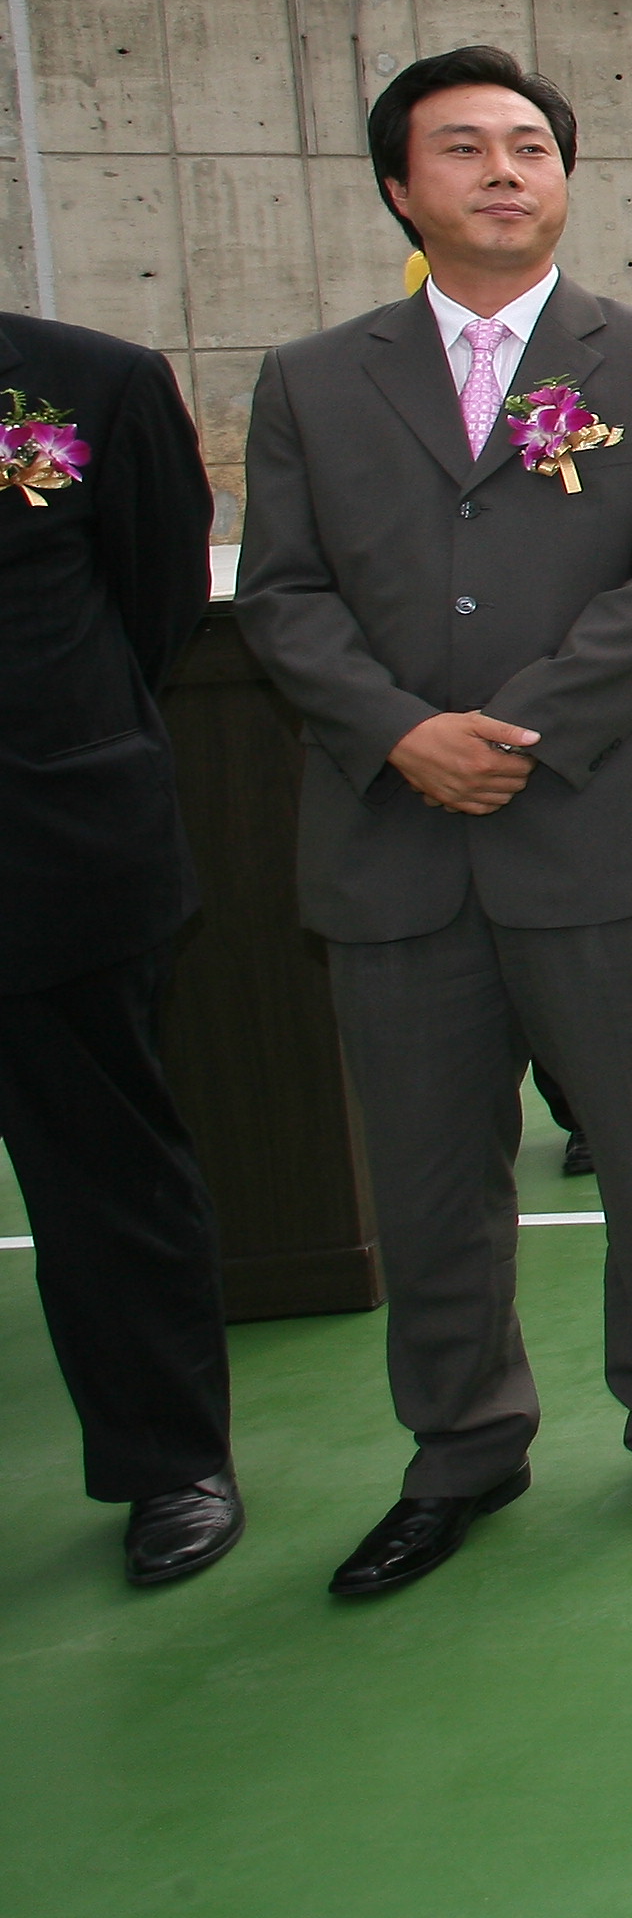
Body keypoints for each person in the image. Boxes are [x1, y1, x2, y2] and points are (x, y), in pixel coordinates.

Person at [234, 47, 632, 1597]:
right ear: (402, 188)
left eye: (529, 145)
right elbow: (283, 596)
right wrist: (402, 734)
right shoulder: (316, 381)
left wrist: (519, 731)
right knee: (426, 1168)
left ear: (565, 177)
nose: (503, 171)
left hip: (594, 825)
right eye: (462, 149)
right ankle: (461, 1446)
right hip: (391, 836)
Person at [0, 310, 242, 1588]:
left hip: (46, 847)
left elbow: (156, 601)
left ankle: (167, 1461)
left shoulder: (89, 382)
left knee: (103, 1175)